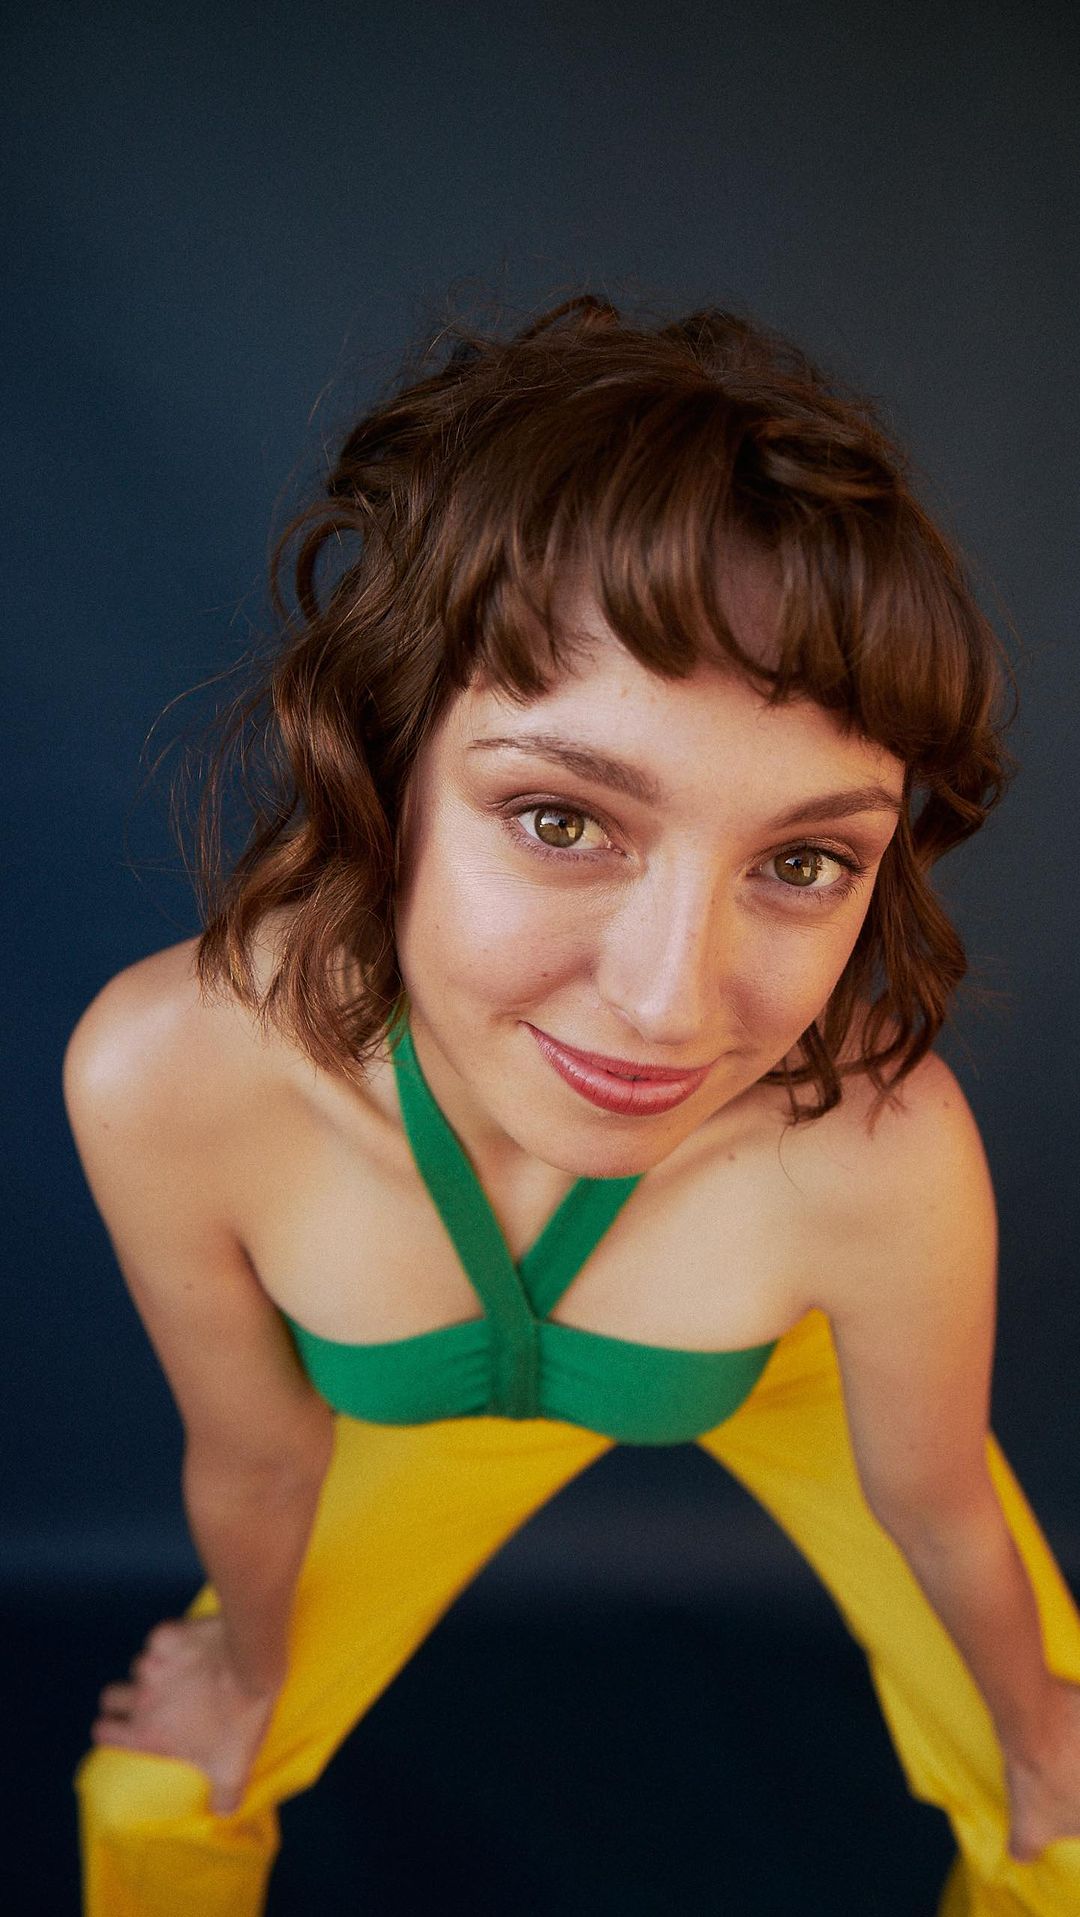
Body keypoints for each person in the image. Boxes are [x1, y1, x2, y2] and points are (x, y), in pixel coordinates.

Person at [64, 293, 1080, 1917]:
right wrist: (244, 1674)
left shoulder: (874, 1154)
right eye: (561, 818)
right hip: (395, 1433)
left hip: (797, 1377)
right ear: (382, 762)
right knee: (158, 1787)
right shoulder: (170, 1074)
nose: (675, 1005)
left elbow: (938, 1501)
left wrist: (1038, 1737)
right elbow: (253, 1462)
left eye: (804, 860)